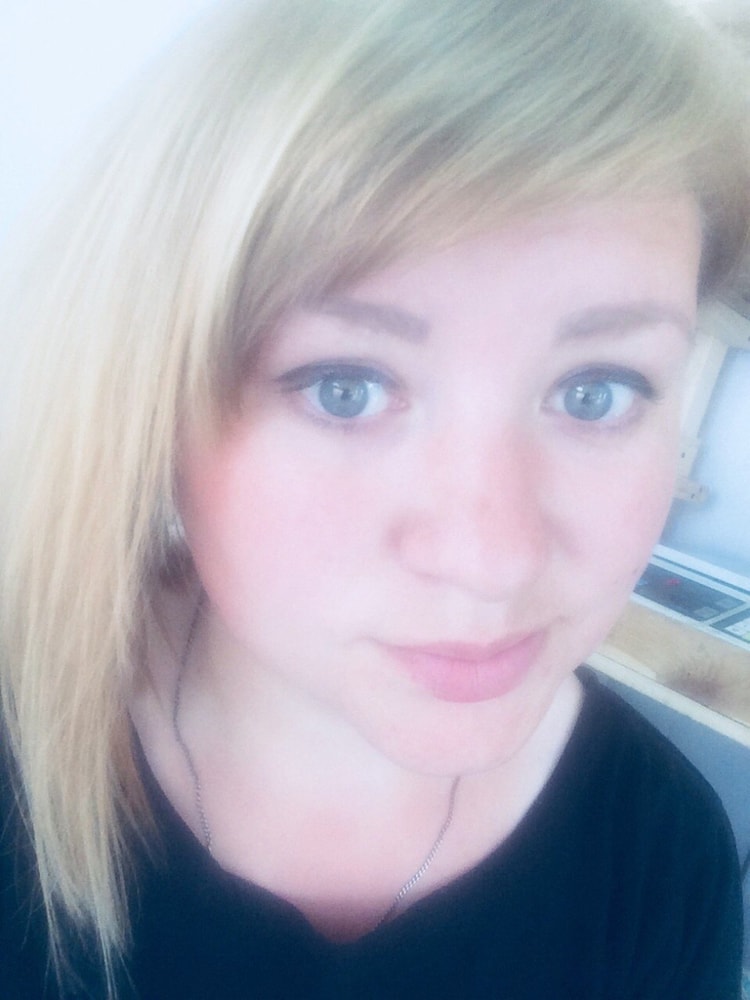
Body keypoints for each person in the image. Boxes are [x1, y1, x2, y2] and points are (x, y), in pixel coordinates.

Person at [1, 0, 748, 997]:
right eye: (344, 387)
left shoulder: (666, 859)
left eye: (596, 392)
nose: (492, 559)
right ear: (152, 403)